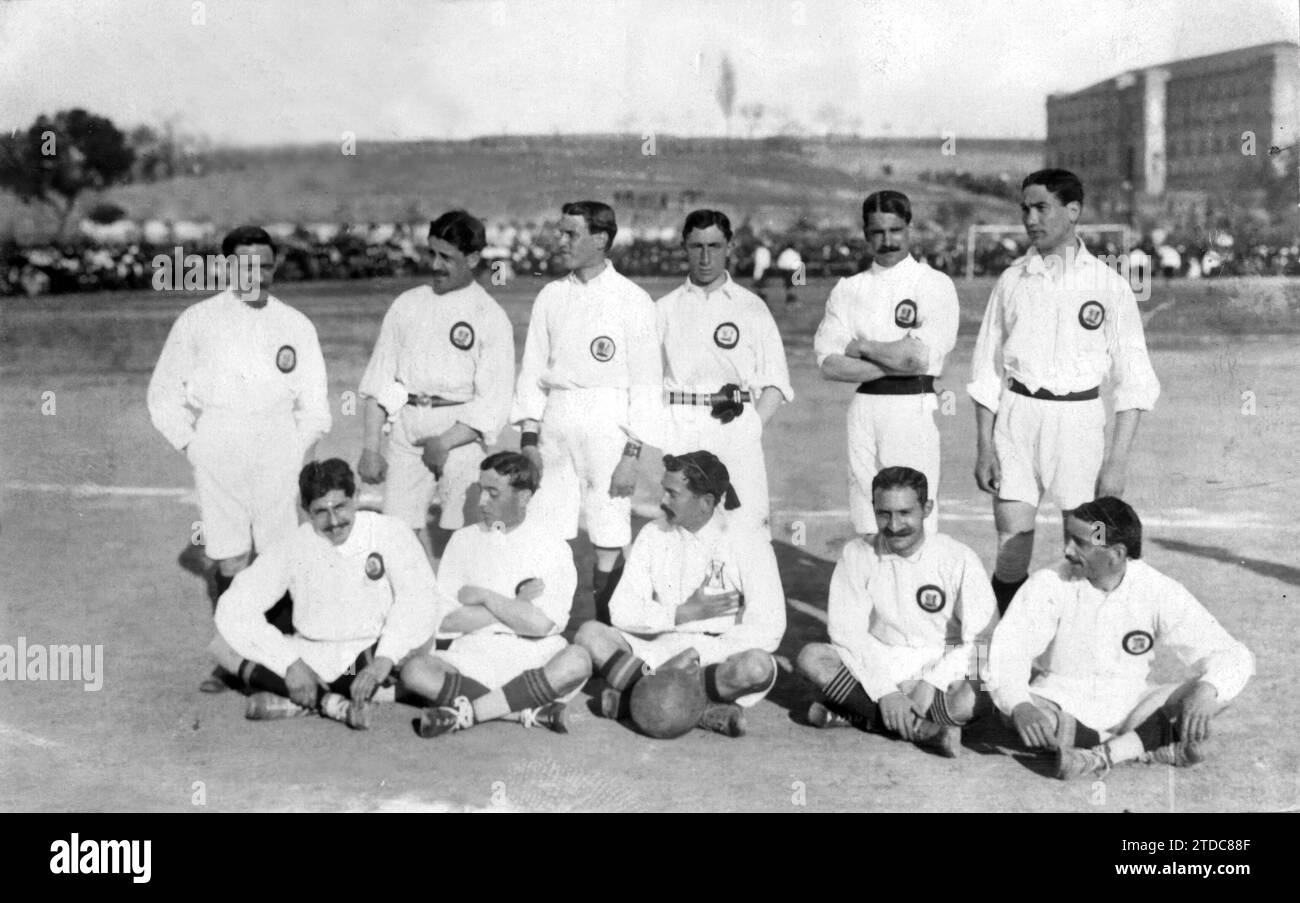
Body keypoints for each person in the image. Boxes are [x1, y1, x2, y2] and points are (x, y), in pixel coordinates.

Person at [147, 225, 331, 691]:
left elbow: (314, 404)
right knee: (230, 559)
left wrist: (298, 454)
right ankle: (234, 662)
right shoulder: (197, 321)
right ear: (228, 267)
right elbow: (163, 395)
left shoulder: (295, 325)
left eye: (267, 266)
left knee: (279, 553)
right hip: (219, 442)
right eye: (248, 266)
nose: (259, 276)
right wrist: (194, 445)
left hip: (278, 445)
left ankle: (284, 659)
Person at [968, 169, 1160, 614]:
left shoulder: (1108, 286)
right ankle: (1010, 645)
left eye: (1042, 208)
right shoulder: (1012, 281)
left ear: (1073, 211)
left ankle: (1077, 646)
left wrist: (1116, 462)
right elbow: (985, 371)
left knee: (1087, 544)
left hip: (1079, 422)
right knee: (1012, 544)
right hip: (1017, 419)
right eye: (1025, 209)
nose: (1031, 219)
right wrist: (984, 445)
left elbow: (1134, 382)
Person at [986, 497, 1253, 779]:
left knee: (1216, 694)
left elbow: (1233, 654)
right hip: (1060, 702)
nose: (1067, 550)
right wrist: (1020, 705)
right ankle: (1143, 746)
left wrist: (1207, 688)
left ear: (1116, 553)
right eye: (1069, 538)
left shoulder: (1156, 588)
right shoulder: (1049, 582)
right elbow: (1008, 650)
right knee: (1015, 711)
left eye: (1080, 543)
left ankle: (1101, 754)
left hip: (1134, 705)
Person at [511, 200, 664, 622]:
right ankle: (547, 625)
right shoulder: (551, 295)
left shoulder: (632, 299)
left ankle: (607, 629)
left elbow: (648, 384)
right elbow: (532, 372)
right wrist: (529, 439)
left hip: (608, 421)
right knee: (547, 526)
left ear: (601, 239)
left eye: (570, 234)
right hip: (556, 422)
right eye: (560, 232)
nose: (560, 241)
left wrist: (632, 455)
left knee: (609, 530)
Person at [214, 459, 442, 729]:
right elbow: (234, 607)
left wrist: (384, 659)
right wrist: (290, 665)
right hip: (310, 656)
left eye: (340, 507)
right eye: (321, 511)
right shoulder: (293, 544)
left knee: (415, 646)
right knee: (220, 647)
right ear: (306, 510)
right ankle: (334, 704)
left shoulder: (390, 532)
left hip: (369, 654)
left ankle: (304, 700)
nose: (334, 522)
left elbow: (418, 599)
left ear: (355, 496)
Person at [574, 451, 787, 737]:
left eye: (672, 494)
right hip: (660, 655)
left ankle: (637, 698)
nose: (662, 501)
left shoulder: (749, 541)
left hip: (720, 659)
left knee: (757, 667)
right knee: (589, 634)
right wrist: (680, 614)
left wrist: (700, 652)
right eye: (664, 490)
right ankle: (704, 711)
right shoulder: (652, 534)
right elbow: (620, 610)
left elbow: (770, 628)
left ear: (706, 502)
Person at [795, 467, 998, 757]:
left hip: (943, 657)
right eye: (884, 514)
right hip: (883, 656)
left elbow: (983, 638)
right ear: (874, 510)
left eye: (905, 513)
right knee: (812, 659)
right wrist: (885, 691)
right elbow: (847, 634)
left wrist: (932, 682)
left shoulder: (958, 557)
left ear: (926, 509)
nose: (894, 525)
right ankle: (921, 730)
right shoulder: (857, 553)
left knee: (973, 701)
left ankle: (860, 715)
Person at [357, 210, 515, 563]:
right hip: (407, 429)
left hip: (459, 436)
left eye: (448, 258)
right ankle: (412, 609)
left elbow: (493, 403)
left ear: (473, 258)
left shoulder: (489, 316)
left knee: (465, 536)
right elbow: (378, 381)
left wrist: (443, 443)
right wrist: (370, 448)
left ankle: (457, 609)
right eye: (432, 254)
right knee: (395, 536)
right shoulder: (407, 304)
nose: (436, 266)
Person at [400, 452, 589, 736]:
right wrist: (517, 606)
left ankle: (471, 712)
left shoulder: (553, 546)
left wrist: (486, 598)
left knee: (577, 661)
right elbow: (447, 622)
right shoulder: (463, 540)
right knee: (415, 671)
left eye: (493, 493)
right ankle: (524, 712)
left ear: (523, 497)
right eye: (480, 490)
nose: (481, 502)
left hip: (534, 658)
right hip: (473, 657)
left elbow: (540, 626)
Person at [813, 191, 959, 537]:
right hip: (864, 407)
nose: (888, 240)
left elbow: (918, 357)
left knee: (910, 511)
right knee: (866, 510)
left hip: (911, 406)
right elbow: (829, 364)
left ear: (910, 229)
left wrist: (859, 346)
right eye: (878, 232)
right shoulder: (848, 289)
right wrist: (896, 359)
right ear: (866, 234)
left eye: (896, 230)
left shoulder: (932, 283)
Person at [656, 209, 793, 536]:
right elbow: (645, 385)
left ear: (730, 246)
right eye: (697, 246)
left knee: (745, 526)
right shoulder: (663, 309)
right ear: (684, 247)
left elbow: (776, 383)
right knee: (684, 530)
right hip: (682, 427)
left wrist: (751, 429)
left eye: (715, 246)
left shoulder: (751, 307)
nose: (705, 257)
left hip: (736, 425)